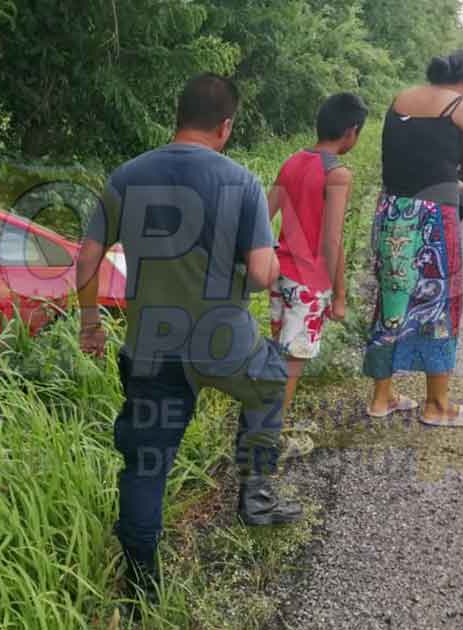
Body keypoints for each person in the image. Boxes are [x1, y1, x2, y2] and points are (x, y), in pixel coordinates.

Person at [75, 73, 303, 606]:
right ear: (226, 125)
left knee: (146, 463)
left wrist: (90, 325)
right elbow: (264, 272)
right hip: (226, 345)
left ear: (177, 116)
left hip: (153, 350)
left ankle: (140, 588)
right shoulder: (242, 182)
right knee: (269, 385)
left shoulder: (127, 176)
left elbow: (86, 259)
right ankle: (256, 494)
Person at [364, 49, 463, 427]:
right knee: (440, 304)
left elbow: (419, 158)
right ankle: (437, 405)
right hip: (433, 218)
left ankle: (381, 399)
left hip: (392, 212)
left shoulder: (401, 98)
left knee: (392, 298)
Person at [268, 93, 368, 418]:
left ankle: (263, 427)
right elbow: (332, 241)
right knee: (291, 366)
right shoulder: (337, 174)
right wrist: (339, 294)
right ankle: (268, 437)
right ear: (351, 131)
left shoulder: (293, 161)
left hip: (279, 274)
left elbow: (263, 215)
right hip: (310, 283)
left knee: (279, 356)